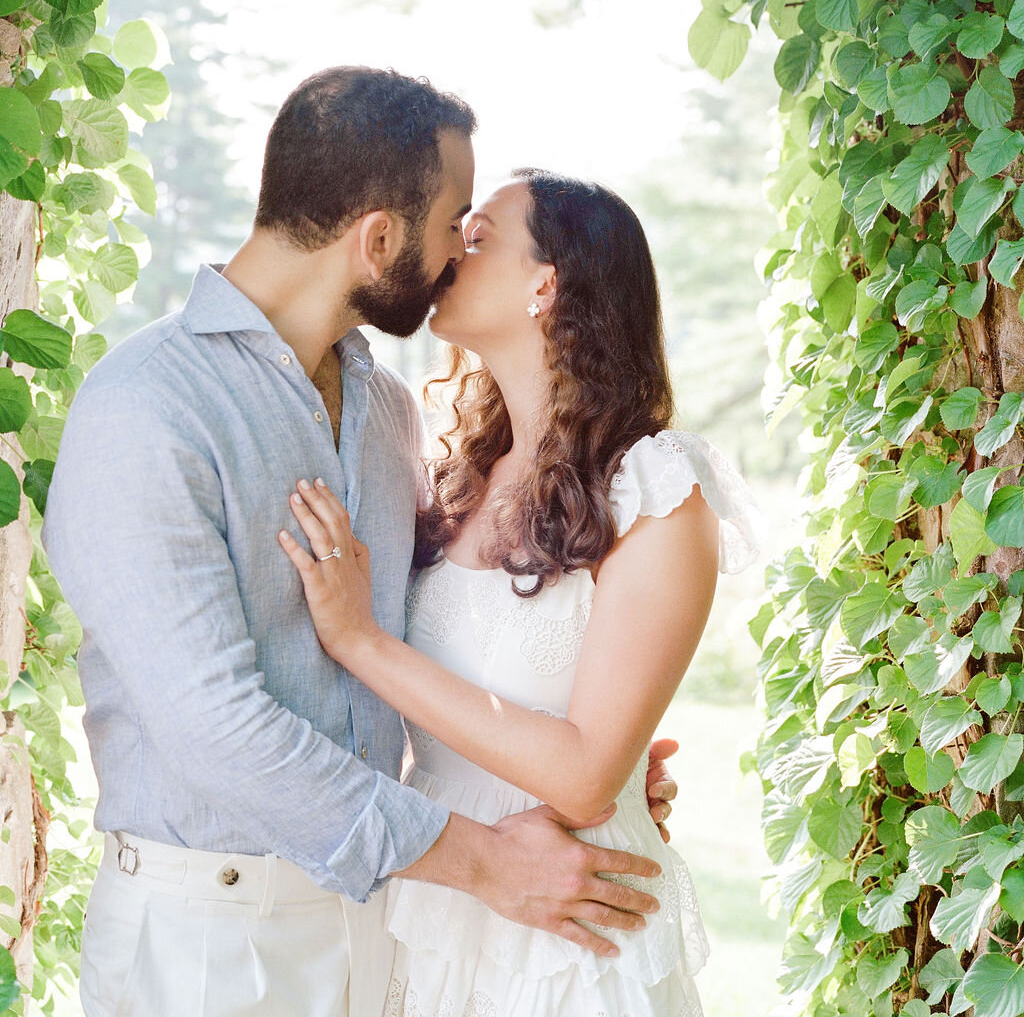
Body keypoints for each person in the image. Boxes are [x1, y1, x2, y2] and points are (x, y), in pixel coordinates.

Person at [42, 68, 680, 1017]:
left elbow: (420, 656)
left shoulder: (383, 411)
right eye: (452, 223)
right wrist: (487, 862)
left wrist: (586, 765)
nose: (458, 251)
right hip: (211, 942)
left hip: (388, 927)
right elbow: (217, 729)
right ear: (379, 239)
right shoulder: (145, 408)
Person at [280, 167, 767, 1016]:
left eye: (478, 239)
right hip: (440, 896)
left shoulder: (655, 486)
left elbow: (582, 779)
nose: (447, 254)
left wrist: (360, 640)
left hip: (566, 930)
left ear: (546, 284)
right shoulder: (460, 474)